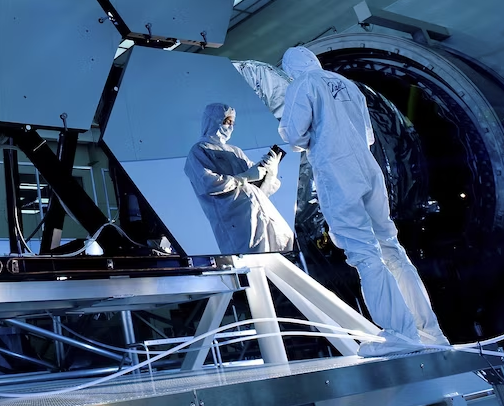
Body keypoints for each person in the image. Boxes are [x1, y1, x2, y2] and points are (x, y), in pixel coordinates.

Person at [277, 46, 448, 355]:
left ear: (291, 69)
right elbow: (368, 136)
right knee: (393, 251)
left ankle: (399, 334)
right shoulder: (348, 85)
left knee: (364, 254)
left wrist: (305, 141)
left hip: (337, 171)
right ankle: (431, 334)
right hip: (369, 169)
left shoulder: (302, 84)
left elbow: (292, 135)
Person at [185, 103, 294, 254]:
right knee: (254, 262)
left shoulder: (236, 151)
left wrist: (270, 171)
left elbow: (260, 188)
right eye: (226, 121)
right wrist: (244, 177)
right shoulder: (199, 151)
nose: (230, 126)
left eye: (232, 123)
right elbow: (208, 183)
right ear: (212, 120)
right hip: (238, 221)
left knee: (284, 245)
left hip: (261, 211)